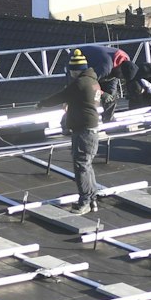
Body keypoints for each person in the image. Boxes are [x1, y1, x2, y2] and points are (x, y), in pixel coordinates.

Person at [38, 47, 103, 214]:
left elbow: (61, 95)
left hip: (84, 130)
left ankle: (85, 201)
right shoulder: (93, 81)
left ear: (75, 71)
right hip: (90, 129)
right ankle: (92, 198)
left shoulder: (80, 83)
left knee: (81, 165)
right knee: (87, 165)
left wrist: (42, 103)